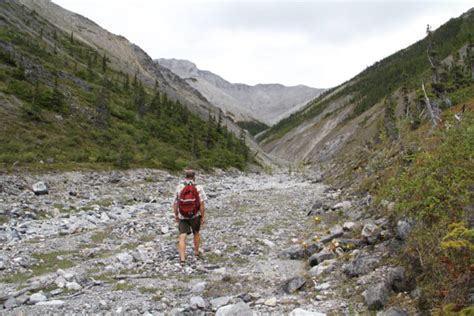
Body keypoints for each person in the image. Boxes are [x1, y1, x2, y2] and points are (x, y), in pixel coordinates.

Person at [173, 169, 207, 265]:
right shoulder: (198, 187)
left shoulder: (179, 187)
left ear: (185, 177)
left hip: (182, 216)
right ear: (194, 177)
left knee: (182, 236)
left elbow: (175, 203)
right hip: (195, 215)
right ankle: (196, 253)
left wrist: (176, 215)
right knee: (196, 232)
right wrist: (203, 216)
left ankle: (182, 259)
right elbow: (202, 204)